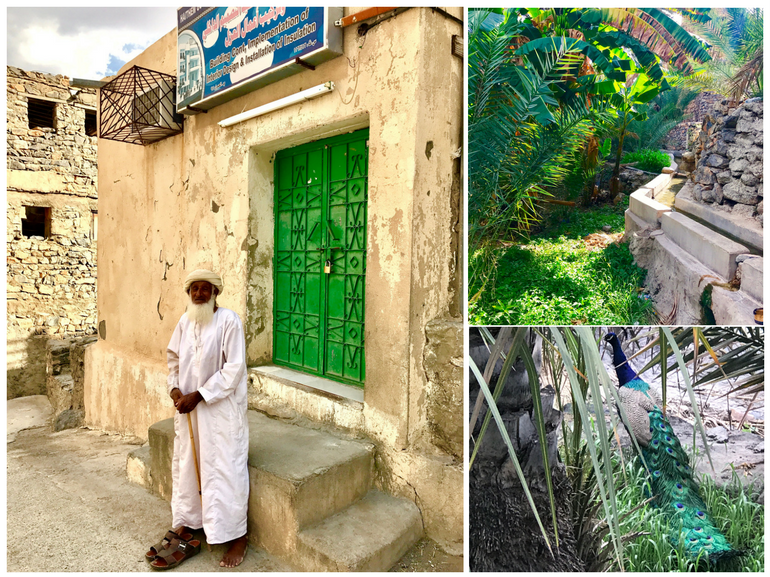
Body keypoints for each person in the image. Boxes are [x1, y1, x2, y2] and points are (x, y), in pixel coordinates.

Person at [146, 269, 249, 569]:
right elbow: (173, 360)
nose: (199, 294)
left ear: (216, 293)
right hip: (189, 412)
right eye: (194, 289)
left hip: (219, 413)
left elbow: (234, 369)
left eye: (206, 289)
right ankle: (192, 525)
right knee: (189, 467)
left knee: (226, 470)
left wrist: (199, 395)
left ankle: (236, 536)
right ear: (189, 293)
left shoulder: (229, 321)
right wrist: (175, 389)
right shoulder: (184, 321)